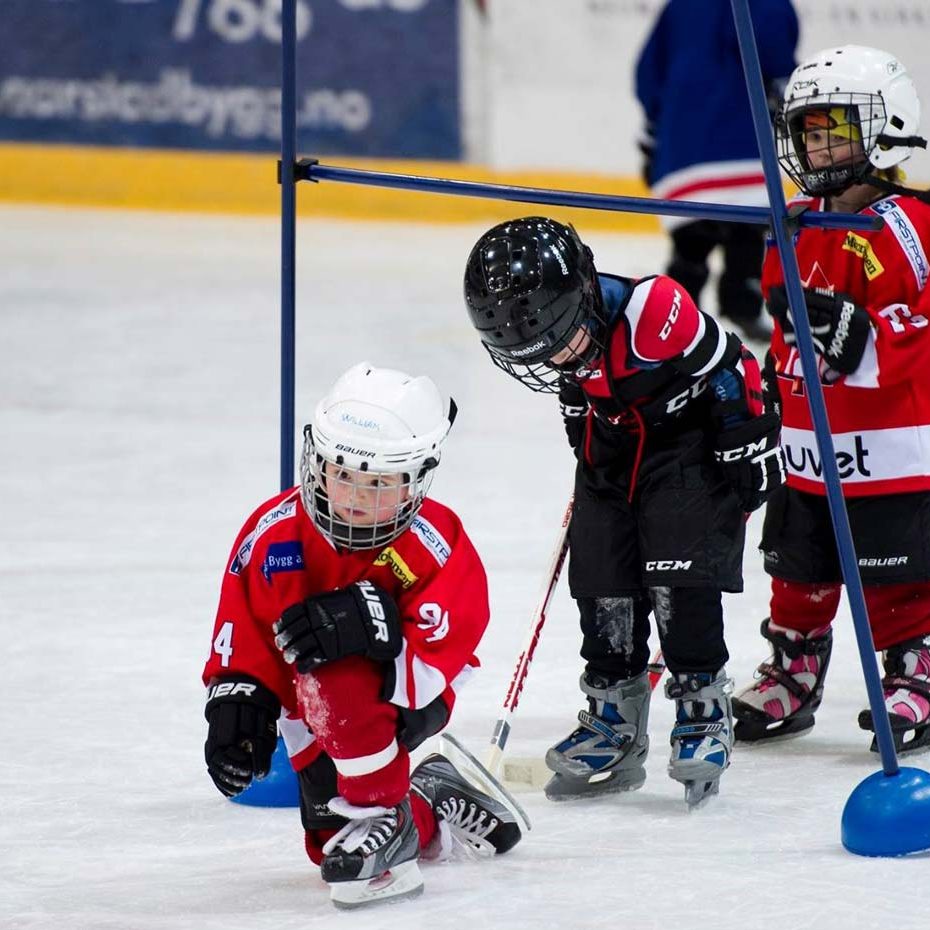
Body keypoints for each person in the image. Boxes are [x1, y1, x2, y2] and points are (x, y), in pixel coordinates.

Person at [463, 216, 786, 807]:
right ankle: (614, 715)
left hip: (684, 450)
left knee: (677, 575)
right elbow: (577, 383)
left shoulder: (653, 315)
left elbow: (731, 364)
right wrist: (579, 420)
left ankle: (700, 707)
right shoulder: (566, 333)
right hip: (614, 451)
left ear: (583, 297)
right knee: (601, 575)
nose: (555, 358)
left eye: (559, 345)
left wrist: (752, 436)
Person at [202, 362, 523, 910]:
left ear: (414, 479)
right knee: (329, 844)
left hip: (406, 694)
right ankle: (427, 800)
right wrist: (240, 695)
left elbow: (455, 625)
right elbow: (245, 622)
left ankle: (382, 812)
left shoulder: (433, 539)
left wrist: (378, 626)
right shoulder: (274, 531)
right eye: (342, 474)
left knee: (337, 676)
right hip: (310, 706)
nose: (354, 496)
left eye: (378, 483)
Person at [731, 46, 930, 756]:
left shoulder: (913, 224)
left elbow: (924, 326)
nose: (816, 146)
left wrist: (863, 337)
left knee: (894, 571)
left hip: (891, 452)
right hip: (810, 448)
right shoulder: (794, 222)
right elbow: (786, 328)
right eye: (808, 132)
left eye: (832, 131)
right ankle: (795, 665)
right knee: (797, 564)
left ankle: (916, 666)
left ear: (889, 130)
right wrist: (767, 389)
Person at [635, 0, 798, 344]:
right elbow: (774, 51)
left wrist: (654, 132)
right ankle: (742, 299)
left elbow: (648, 72)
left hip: (680, 144)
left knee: (690, 240)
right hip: (738, 136)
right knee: (746, 232)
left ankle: (676, 310)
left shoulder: (679, 6)